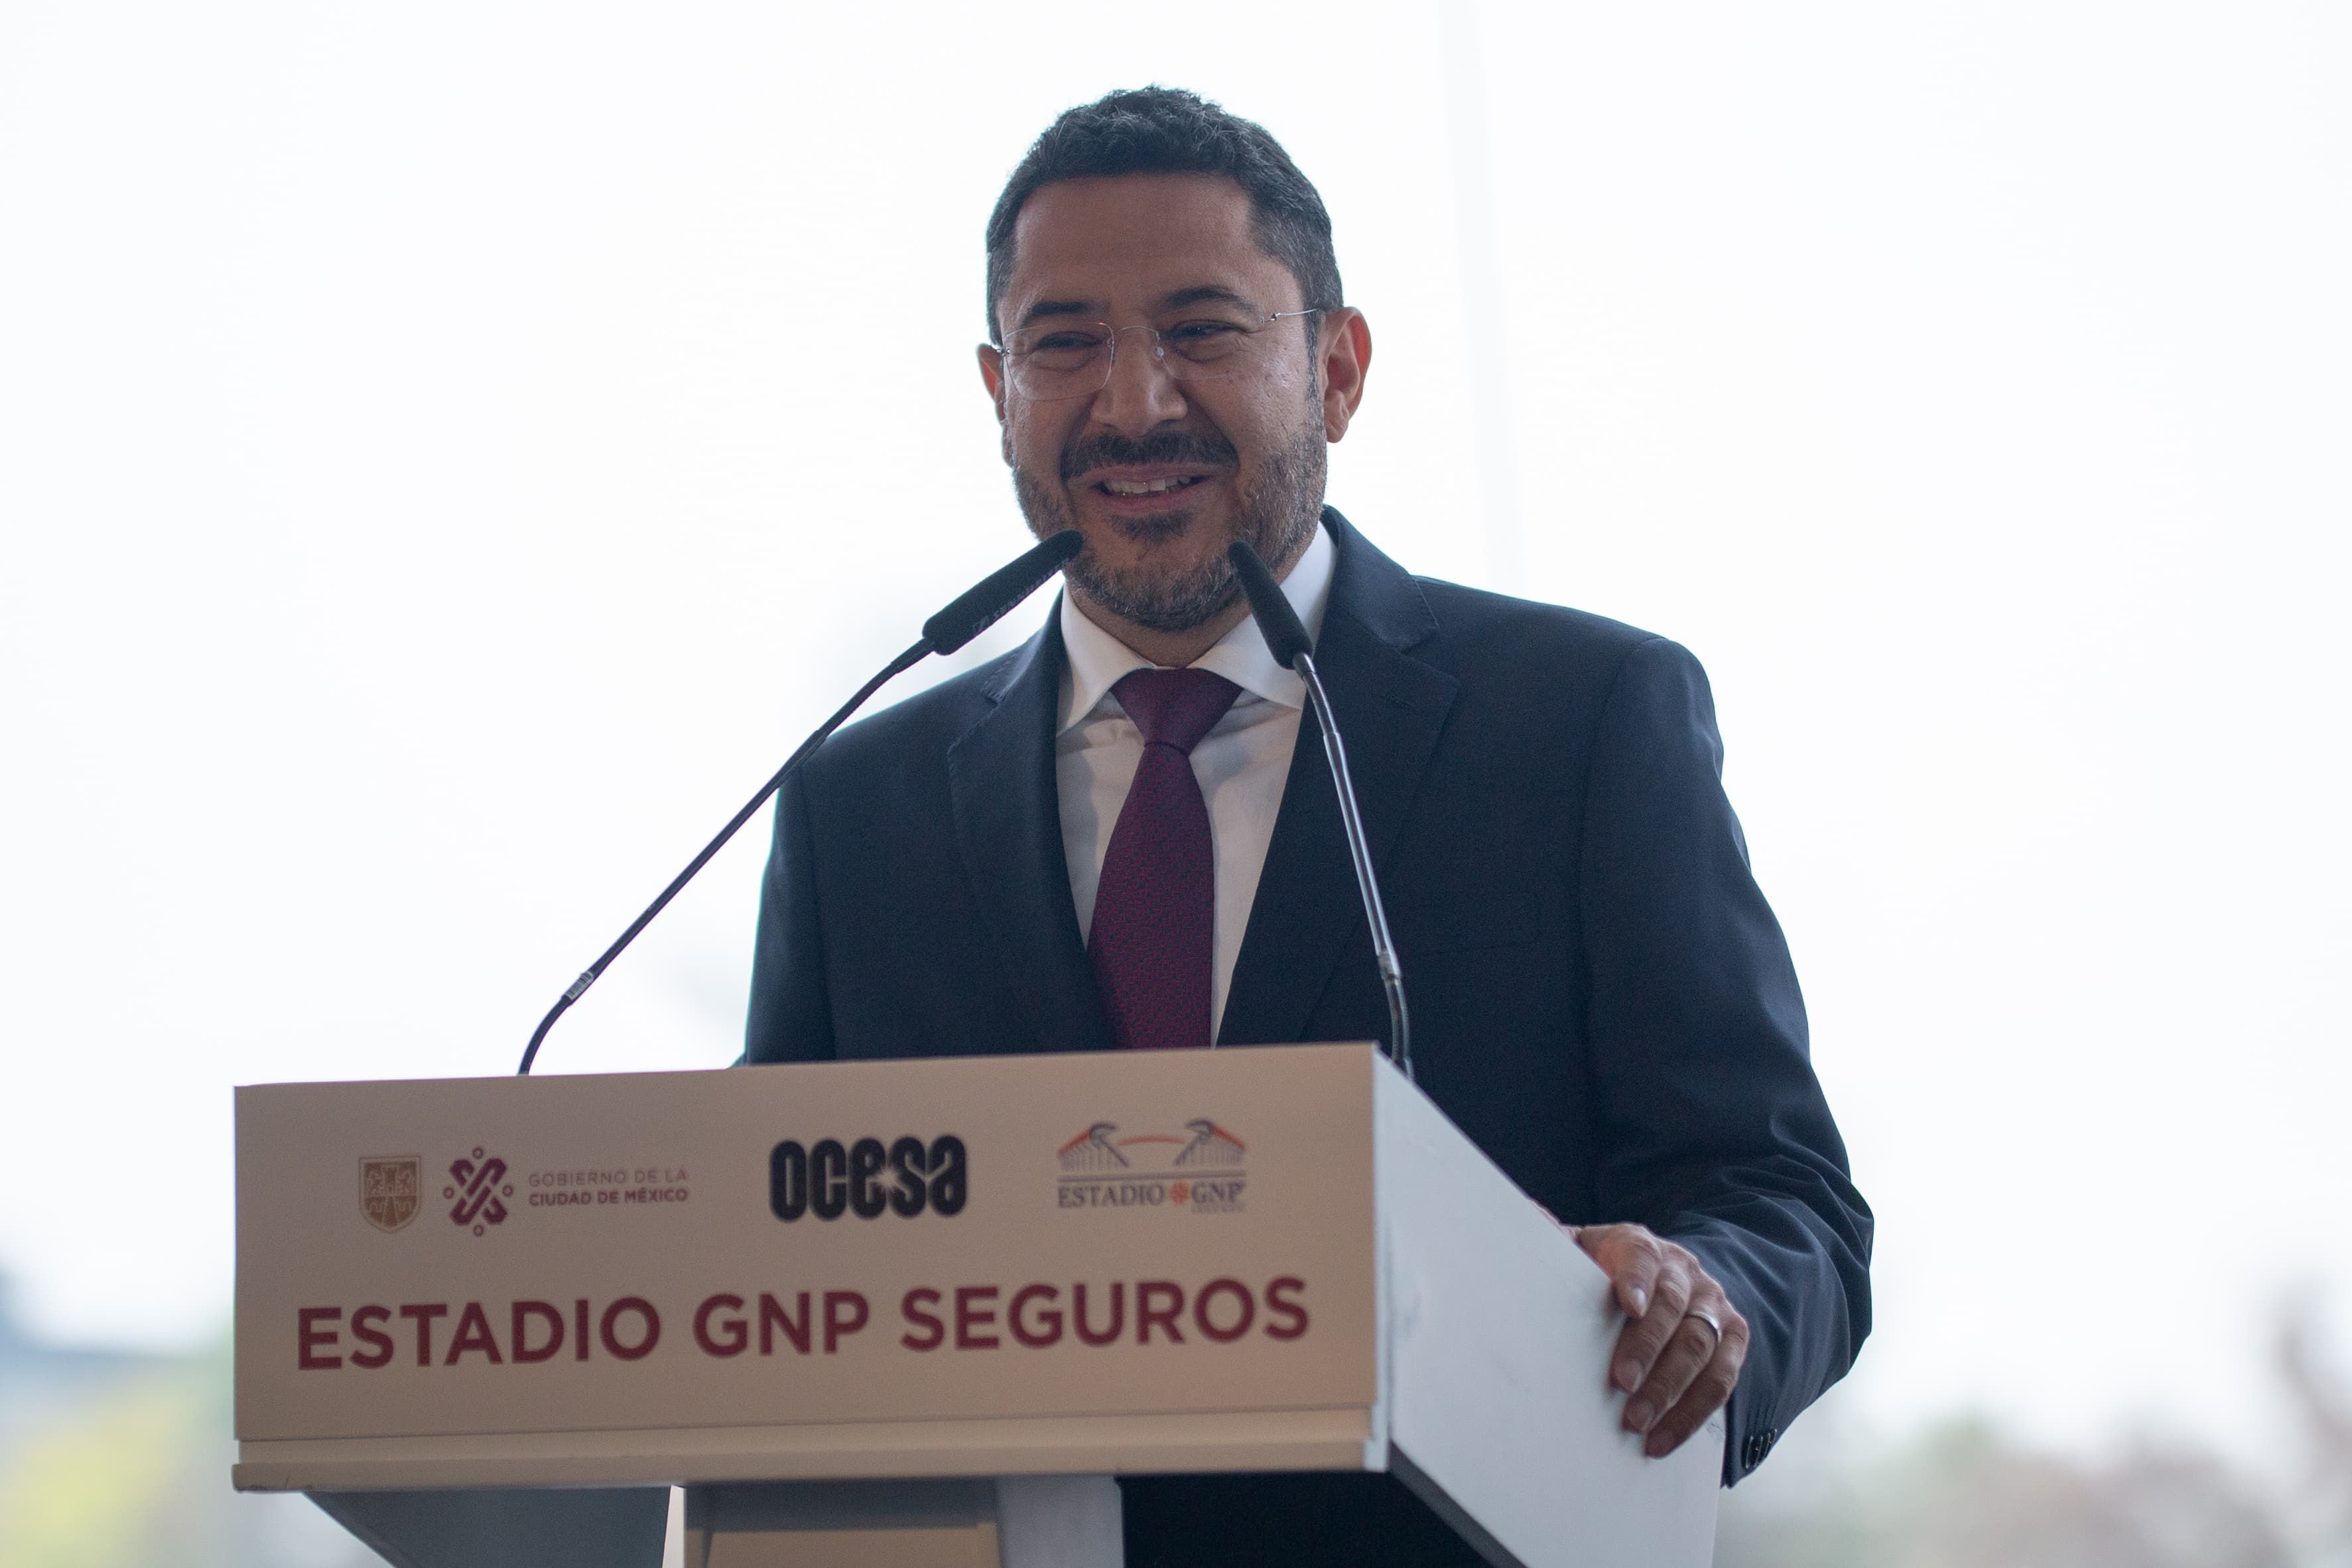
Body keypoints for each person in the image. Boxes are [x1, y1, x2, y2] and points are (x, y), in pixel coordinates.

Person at [746, 86, 1870, 1566]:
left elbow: (1784, 1206)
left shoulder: (1584, 722)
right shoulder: (855, 808)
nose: (1133, 403)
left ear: (1336, 369)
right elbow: (768, 1255)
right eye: (1064, 341)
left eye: (1202, 330)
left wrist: (1703, 1299)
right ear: (996, 387)